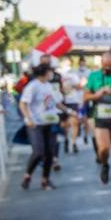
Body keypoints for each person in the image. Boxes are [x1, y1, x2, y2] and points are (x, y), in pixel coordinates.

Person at [19, 63, 63, 191]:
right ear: (44, 73)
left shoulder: (49, 86)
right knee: (39, 152)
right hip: (35, 124)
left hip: (48, 122)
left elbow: (57, 103)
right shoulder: (32, 86)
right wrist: (28, 118)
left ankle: (45, 180)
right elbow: (23, 104)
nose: (52, 74)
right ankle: (27, 176)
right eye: (50, 71)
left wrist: (70, 112)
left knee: (50, 152)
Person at [85, 51, 111, 187]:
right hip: (101, 117)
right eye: (105, 64)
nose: (108, 67)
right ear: (101, 63)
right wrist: (99, 93)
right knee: (103, 149)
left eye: (110, 65)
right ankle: (104, 165)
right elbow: (85, 97)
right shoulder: (94, 76)